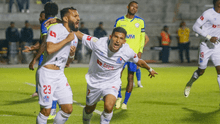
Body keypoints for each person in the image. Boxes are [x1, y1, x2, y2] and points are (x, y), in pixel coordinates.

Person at [72, 27, 158, 124]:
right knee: (89, 109)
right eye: (115, 37)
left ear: (124, 41)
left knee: (109, 107)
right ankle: (86, 121)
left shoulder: (127, 51)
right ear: (110, 37)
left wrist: (150, 69)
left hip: (111, 83)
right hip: (94, 82)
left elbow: (139, 61)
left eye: (121, 38)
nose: (117, 41)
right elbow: (79, 34)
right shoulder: (98, 43)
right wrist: (63, 23)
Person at [36, 7, 79, 124]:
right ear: (65, 18)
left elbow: (68, 63)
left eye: (78, 16)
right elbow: (49, 49)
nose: (78, 18)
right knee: (46, 111)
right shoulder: (55, 28)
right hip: (47, 74)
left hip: (60, 74)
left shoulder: (74, 37)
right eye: (75, 16)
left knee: (67, 109)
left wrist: (71, 54)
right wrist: (66, 40)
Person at [114, 1, 147, 109]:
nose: (134, 8)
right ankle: (118, 97)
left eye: (136, 7)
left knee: (130, 78)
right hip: (121, 53)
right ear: (128, 7)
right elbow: (114, 36)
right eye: (132, 6)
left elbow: (142, 38)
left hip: (133, 55)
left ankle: (125, 102)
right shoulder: (119, 21)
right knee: (117, 76)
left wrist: (140, 52)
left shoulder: (140, 21)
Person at [184, 0, 220, 97]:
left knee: (219, 70)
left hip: (217, 46)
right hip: (206, 45)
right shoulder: (208, 13)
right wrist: (209, 37)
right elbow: (195, 27)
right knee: (201, 71)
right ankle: (189, 83)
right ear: (216, 2)